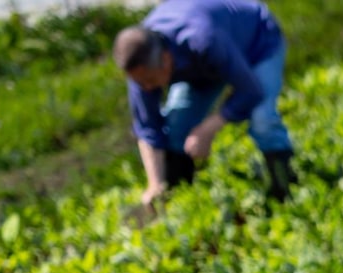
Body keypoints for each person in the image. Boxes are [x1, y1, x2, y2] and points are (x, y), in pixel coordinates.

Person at [114, 0, 296, 208]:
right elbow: (148, 128)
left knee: (262, 119)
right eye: (140, 82)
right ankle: (179, 205)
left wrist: (208, 128)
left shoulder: (201, 39)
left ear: (165, 59)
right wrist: (154, 183)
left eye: (150, 81)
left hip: (256, 42)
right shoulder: (140, 65)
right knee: (177, 128)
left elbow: (250, 90)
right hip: (204, 66)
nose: (146, 88)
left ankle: (287, 193)